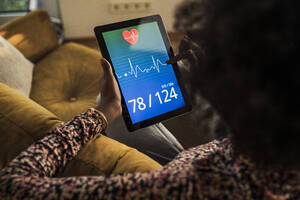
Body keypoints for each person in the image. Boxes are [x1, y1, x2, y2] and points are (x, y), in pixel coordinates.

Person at [1, 0, 300, 199]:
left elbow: (13, 184)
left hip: (188, 163)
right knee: (177, 70)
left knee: (119, 111)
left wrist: (101, 114)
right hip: (230, 148)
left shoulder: (188, 185)